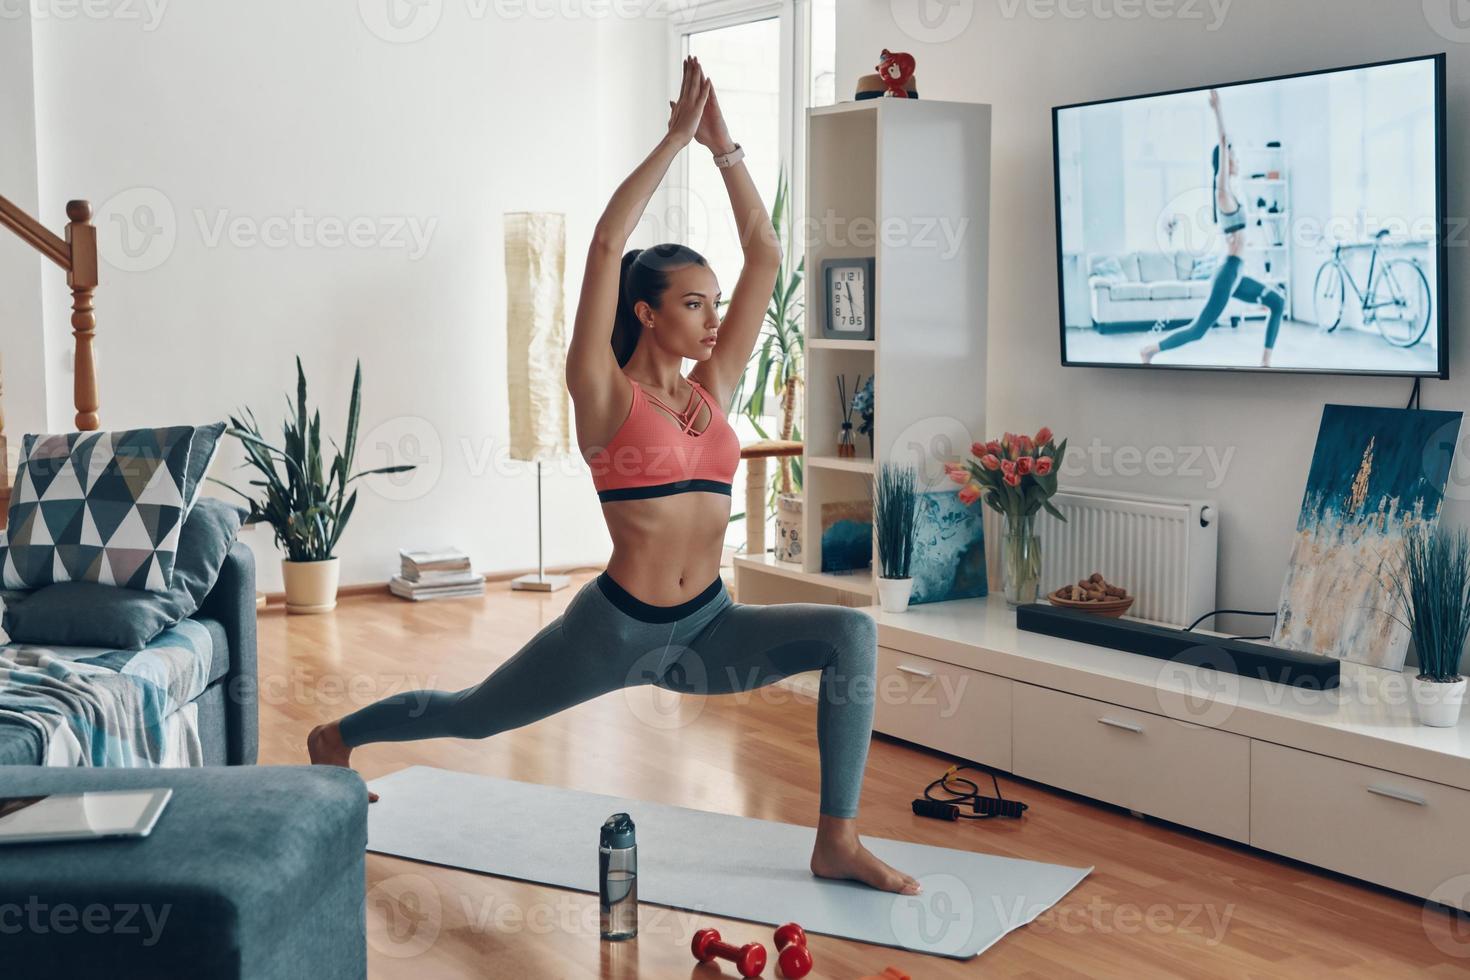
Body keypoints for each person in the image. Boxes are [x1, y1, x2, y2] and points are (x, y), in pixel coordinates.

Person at [309, 56, 920, 896]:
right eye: (693, 303)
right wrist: (672, 139)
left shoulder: (712, 390)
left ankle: (836, 841)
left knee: (851, 633)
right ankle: (336, 739)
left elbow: (768, 252)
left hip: (709, 628)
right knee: (476, 715)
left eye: (715, 302)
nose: (713, 318)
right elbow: (605, 243)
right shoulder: (601, 394)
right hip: (617, 631)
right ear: (646, 310)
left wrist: (724, 148)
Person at [1141, 88, 1285, 368]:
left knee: (1277, 302)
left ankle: (1266, 364)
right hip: (1228, 272)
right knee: (1199, 330)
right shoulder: (1223, 192)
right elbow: (1222, 142)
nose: (1237, 160)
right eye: (1233, 156)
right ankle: (1151, 350)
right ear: (1223, 161)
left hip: (1237, 271)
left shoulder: (1234, 195)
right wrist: (1218, 111)